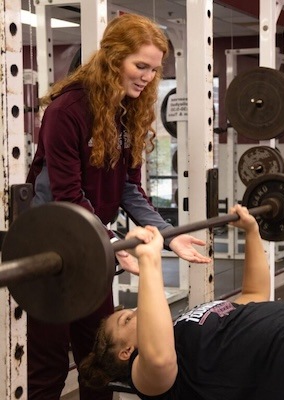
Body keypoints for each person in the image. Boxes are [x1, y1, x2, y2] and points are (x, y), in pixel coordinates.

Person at [25, 13, 210, 400]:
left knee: (101, 355)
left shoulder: (129, 113)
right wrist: (110, 240)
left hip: (93, 246)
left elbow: (129, 188)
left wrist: (168, 236)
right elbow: (67, 195)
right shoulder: (66, 112)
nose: (146, 77)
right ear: (112, 58)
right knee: (50, 363)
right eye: (139, 65)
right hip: (52, 246)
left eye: (154, 69)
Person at [80, 204, 284, 400]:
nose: (133, 312)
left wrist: (251, 231)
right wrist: (150, 263)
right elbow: (159, 357)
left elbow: (253, 297)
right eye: (125, 321)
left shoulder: (183, 325)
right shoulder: (147, 376)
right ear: (125, 352)